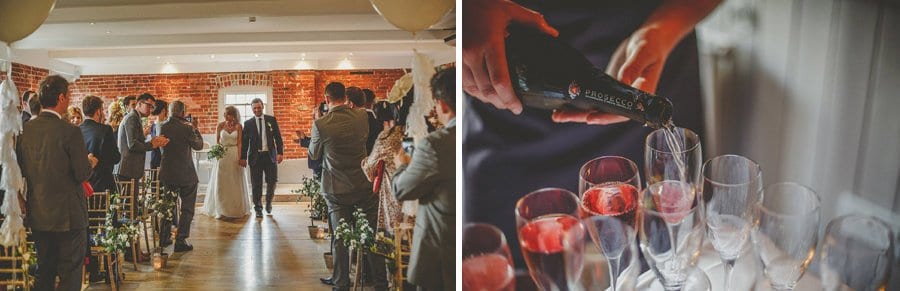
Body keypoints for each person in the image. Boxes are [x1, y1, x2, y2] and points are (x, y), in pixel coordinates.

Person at [462, 0, 719, 267]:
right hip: (506, 96)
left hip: (646, 80)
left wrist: (662, 30)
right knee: (501, 267)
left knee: (667, 261)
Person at [16, 75, 99, 291]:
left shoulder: (25, 131)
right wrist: (91, 162)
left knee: (45, 271)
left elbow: (16, 172)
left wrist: (20, 200)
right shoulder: (70, 131)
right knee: (70, 273)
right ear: (61, 97)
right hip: (69, 215)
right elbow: (82, 174)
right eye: (69, 96)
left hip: (39, 212)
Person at [309, 82, 387, 291]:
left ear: (327, 99)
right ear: (345, 97)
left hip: (337, 190)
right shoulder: (362, 117)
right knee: (370, 235)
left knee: (340, 238)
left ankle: (341, 283)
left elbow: (314, 154)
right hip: (363, 186)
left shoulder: (321, 124)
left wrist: (317, 121)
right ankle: (381, 283)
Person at [391, 67, 456, 291]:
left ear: (442, 104)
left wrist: (401, 167)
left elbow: (402, 190)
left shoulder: (435, 144)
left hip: (443, 257)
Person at [79, 95, 121, 282]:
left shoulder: (76, 131)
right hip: (104, 185)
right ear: (97, 111)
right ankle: (113, 272)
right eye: (102, 110)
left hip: (84, 189)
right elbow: (115, 157)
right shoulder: (105, 130)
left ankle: (93, 270)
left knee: (88, 228)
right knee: (109, 227)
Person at [158, 101, 204, 252]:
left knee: (167, 206)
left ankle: (164, 238)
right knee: (187, 208)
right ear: (183, 112)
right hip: (185, 174)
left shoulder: (162, 126)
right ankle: (181, 240)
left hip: (168, 172)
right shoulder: (187, 128)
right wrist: (196, 129)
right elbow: (198, 146)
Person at [362, 100, 408, 234]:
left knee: (394, 237)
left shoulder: (386, 138)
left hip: (394, 195)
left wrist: (364, 162)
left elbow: (370, 172)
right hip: (415, 193)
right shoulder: (408, 134)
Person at [202, 106, 251, 219]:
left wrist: (240, 158)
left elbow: (239, 144)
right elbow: (218, 142)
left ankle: (235, 209)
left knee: (234, 181)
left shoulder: (239, 126)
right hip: (222, 155)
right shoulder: (220, 126)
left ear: (233, 115)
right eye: (225, 114)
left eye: (228, 114)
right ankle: (221, 209)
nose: (225, 116)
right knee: (221, 181)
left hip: (234, 154)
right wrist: (217, 153)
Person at [239, 98, 284, 218]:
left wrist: (280, 152)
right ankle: (258, 207)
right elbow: (244, 142)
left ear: (262, 107)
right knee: (256, 184)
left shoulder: (271, 120)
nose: (257, 110)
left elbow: (278, 138)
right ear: (252, 109)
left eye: (259, 107)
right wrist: (243, 157)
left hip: (270, 156)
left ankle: (269, 202)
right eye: (254, 108)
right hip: (255, 157)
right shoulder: (248, 124)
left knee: (272, 181)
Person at [117, 93, 168, 182]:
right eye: (149, 106)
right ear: (139, 104)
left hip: (130, 169)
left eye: (152, 107)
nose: (151, 110)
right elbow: (132, 144)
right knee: (129, 196)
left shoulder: (136, 117)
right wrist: (152, 144)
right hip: (127, 170)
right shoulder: (132, 118)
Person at [149, 99, 169, 170]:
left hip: (154, 158)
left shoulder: (154, 124)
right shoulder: (160, 125)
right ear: (163, 110)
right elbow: (160, 144)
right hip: (159, 160)